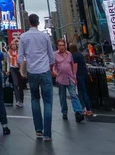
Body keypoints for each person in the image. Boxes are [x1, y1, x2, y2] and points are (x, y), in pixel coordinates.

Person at [17, 13, 54, 141]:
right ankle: (47, 134)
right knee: (48, 102)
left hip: (32, 72)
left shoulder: (23, 37)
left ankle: (38, 130)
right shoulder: (45, 36)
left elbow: (20, 57)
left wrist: (22, 71)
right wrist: (50, 67)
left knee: (35, 99)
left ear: (29, 23)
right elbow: (51, 57)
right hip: (45, 71)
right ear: (38, 23)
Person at [53, 39, 84, 123]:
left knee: (73, 95)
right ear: (57, 46)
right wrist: (55, 73)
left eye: (63, 45)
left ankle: (78, 112)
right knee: (62, 97)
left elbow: (73, 65)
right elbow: (53, 66)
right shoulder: (55, 54)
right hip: (60, 78)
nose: (61, 47)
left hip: (70, 77)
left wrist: (74, 77)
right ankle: (64, 112)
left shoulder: (69, 54)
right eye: (60, 45)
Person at [69, 43, 92, 116]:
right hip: (85, 75)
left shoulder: (74, 56)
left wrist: (74, 77)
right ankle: (86, 109)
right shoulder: (80, 54)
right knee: (83, 92)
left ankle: (86, 110)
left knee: (81, 93)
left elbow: (75, 67)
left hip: (79, 76)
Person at [6, 40, 24, 108]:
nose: (13, 45)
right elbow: (8, 62)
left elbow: (22, 60)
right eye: (12, 44)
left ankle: (21, 100)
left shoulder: (19, 52)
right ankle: (17, 101)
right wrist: (8, 70)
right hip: (12, 69)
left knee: (21, 85)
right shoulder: (8, 53)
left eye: (14, 44)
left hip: (19, 69)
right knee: (15, 84)